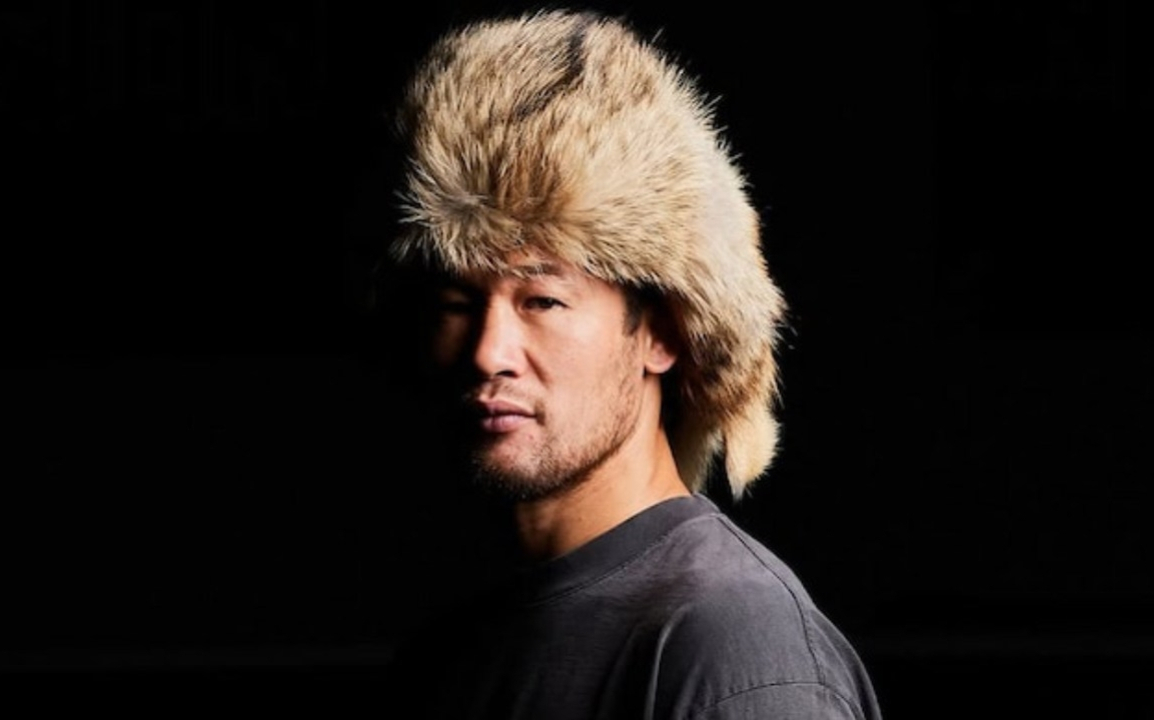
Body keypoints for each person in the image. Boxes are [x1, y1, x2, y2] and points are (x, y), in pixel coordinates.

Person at [370, 8, 882, 719]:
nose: (488, 352)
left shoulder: (730, 643)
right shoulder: (446, 658)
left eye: (543, 301)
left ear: (661, 335)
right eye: (459, 303)